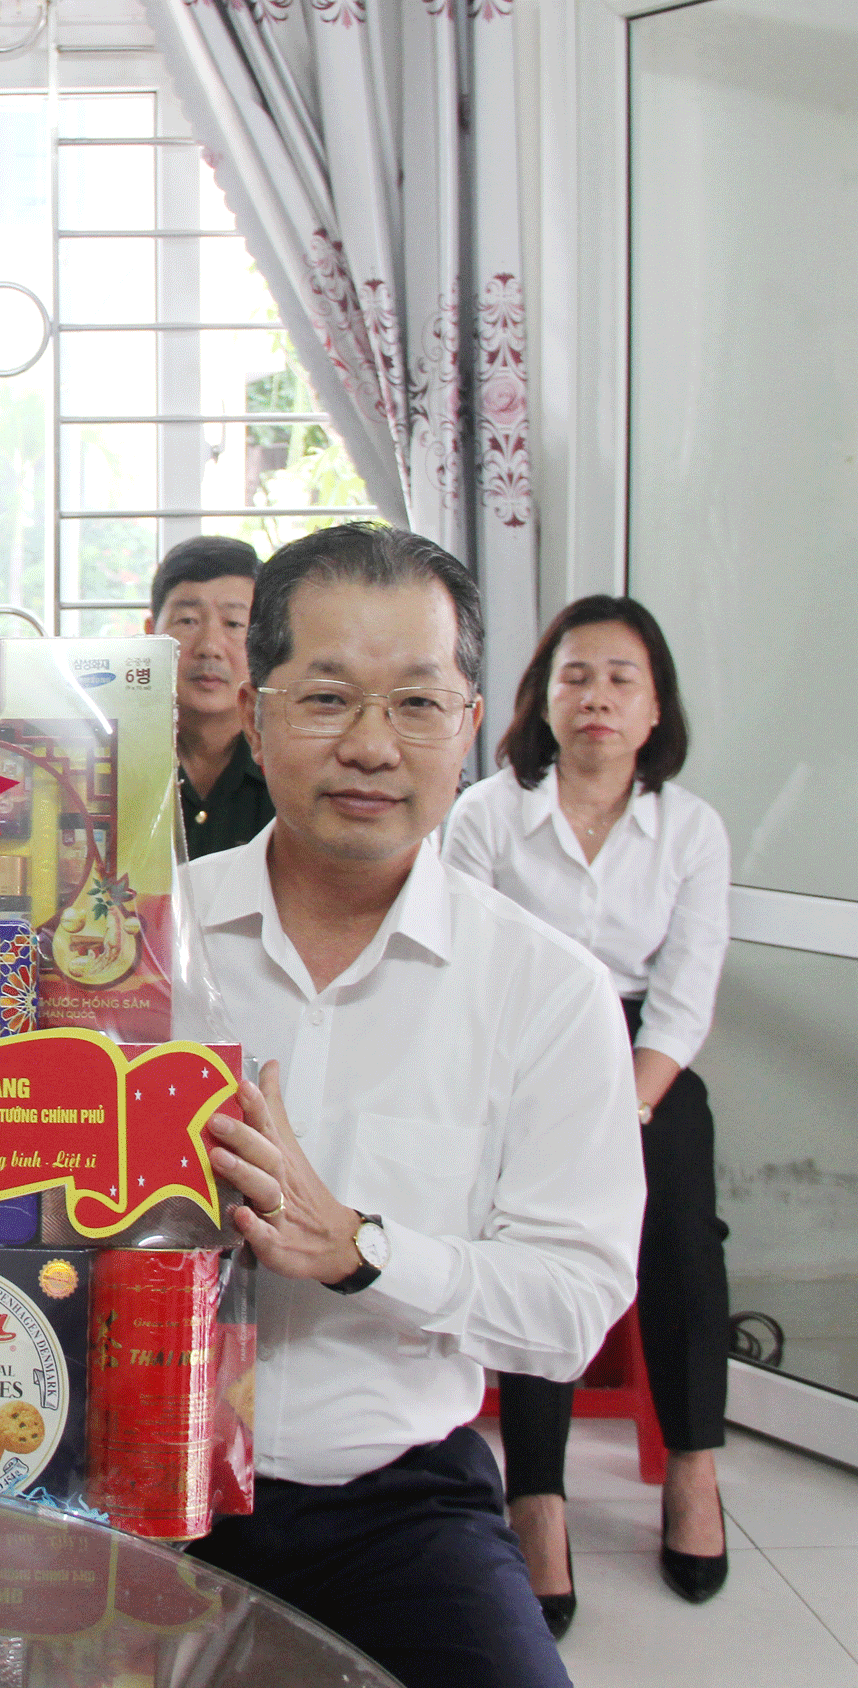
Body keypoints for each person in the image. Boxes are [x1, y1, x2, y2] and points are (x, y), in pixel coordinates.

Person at [183, 523, 643, 1688]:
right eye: (327, 697)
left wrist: (361, 1252)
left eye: (418, 704)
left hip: (389, 1498)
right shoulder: (137, 945)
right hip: (139, 1473)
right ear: (258, 707)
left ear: (471, 722)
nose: (372, 747)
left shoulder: (544, 990)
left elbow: (573, 1301)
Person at [444, 596, 733, 1627]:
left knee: (685, 1230)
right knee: (536, 1237)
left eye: (621, 677)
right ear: (541, 697)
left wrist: (627, 1097)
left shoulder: (689, 827)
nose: (597, 696)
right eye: (576, 676)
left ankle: (694, 1466)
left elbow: (688, 988)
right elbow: (463, 971)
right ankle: (536, 1494)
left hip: (643, 1059)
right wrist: (562, 1097)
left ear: (654, 708)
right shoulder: (484, 815)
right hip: (511, 1054)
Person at [146, 535, 271, 857]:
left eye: (234, 623)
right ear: (150, 634)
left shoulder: (289, 767)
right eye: (187, 621)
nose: (210, 647)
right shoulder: (110, 761)